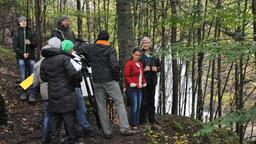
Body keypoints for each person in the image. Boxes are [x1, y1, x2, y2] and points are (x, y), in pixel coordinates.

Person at [81, 30, 139, 139]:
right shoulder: (110, 49)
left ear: (98, 38)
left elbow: (82, 48)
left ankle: (106, 131)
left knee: (101, 106)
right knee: (119, 102)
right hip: (110, 80)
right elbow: (114, 66)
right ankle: (124, 128)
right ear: (107, 39)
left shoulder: (91, 48)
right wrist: (116, 77)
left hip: (97, 80)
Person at [52, 15, 98, 137]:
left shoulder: (70, 32)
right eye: (65, 20)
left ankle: (75, 131)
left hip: (65, 88)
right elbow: (73, 74)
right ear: (60, 22)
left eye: (68, 20)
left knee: (75, 108)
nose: (67, 22)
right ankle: (80, 130)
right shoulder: (57, 33)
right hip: (69, 87)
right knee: (77, 107)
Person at [40, 40, 81, 143]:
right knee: (69, 120)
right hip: (67, 93)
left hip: (53, 94)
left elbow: (43, 78)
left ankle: (54, 140)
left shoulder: (44, 61)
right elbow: (73, 74)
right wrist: (74, 82)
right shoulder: (64, 58)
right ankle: (72, 140)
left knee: (55, 120)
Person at [33, 37, 61, 143]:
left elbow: (34, 83)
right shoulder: (54, 61)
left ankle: (45, 138)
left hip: (44, 93)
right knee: (56, 116)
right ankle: (54, 136)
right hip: (55, 90)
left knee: (47, 116)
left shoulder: (37, 65)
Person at [12, 16, 37, 101]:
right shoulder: (17, 33)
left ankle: (32, 94)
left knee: (32, 76)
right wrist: (23, 54)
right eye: (21, 21)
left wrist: (30, 43)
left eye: (25, 21)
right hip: (21, 57)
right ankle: (23, 92)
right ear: (19, 23)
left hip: (31, 57)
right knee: (23, 76)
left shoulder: (30, 31)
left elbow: (35, 44)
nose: (23, 22)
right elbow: (15, 47)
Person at [139, 37, 161, 129]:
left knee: (151, 101)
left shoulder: (154, 55)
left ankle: (152, 121)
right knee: (144, 102)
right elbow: (133, 67)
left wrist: (157, 69)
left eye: (147, 42)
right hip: (143, 81)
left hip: (152, 81)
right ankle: (142, 122)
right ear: (142, 44)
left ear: (150, 44)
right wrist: (143, 70)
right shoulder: (139, 55)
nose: (146, 44)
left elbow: (160, 66)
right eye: (144, 42)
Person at [124, 48, 147, 130]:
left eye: (139, 55)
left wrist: (144, 82)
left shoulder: (140, 64)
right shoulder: (129, 64)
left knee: (139, 106)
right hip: (132, 88)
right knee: (134, 106)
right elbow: (126, 76)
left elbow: (142, 75)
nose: (137, 57)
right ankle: (133, 124)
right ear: (132, 54)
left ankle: (137, 123)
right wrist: (131, 83)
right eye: (136, 55)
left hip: (139, 88)